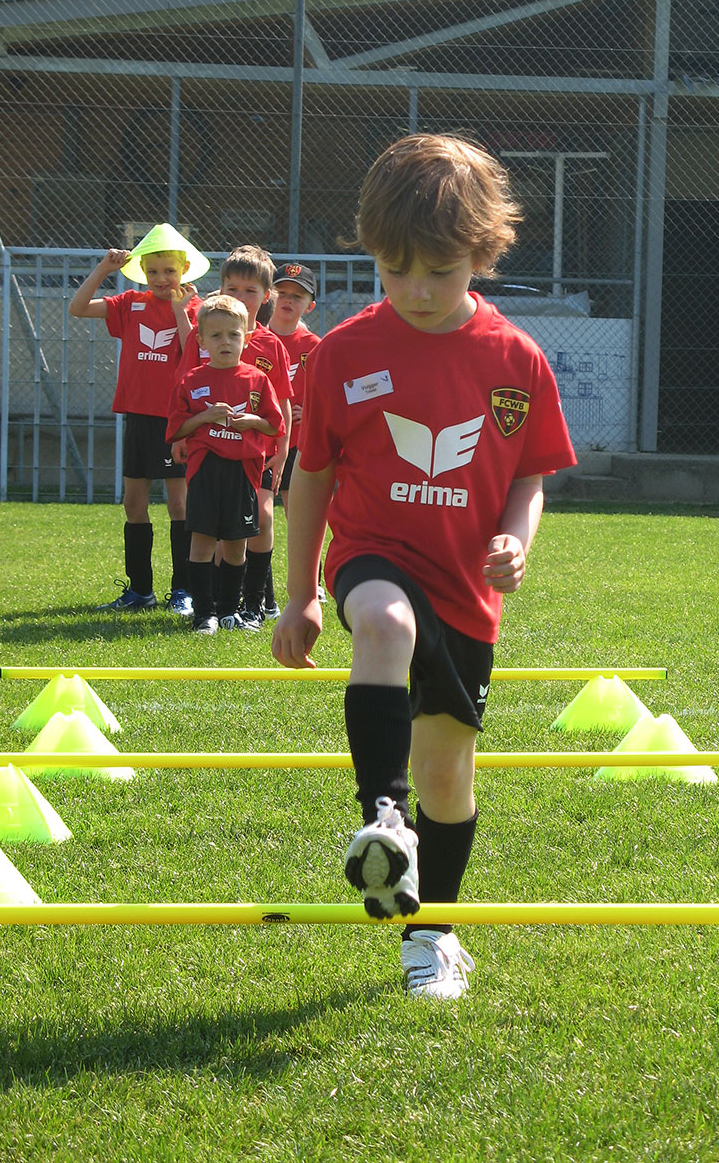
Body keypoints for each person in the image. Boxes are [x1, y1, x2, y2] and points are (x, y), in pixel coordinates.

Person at [271, 134, 577, 999]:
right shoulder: (341, 354)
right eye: (393, 269)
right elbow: (313, 479)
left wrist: (518, 539)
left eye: (438, 272)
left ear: (482, 255)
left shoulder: (516, 360)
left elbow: (529, 477)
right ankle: (382, 819)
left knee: (449, 773)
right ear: (370, 254)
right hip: (374, 555)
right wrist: (299, 597)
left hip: (467, 592)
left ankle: (432, 932)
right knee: (383, 620)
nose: (415, 289)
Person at [68, 223, 209, 615]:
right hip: (138, 417)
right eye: (154, 271)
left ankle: (184, 591)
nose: (162, 279)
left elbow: (192, 350)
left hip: (178, 419)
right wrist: (102, 270)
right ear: (143, 272)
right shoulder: (128, 303)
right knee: (134, 502)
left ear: (183, 270)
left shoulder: (195, 308)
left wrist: (182, 312)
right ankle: (140, 590)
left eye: (169, 271)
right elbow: (77, 308)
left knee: (179, 504)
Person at [173, 246, 293, 628]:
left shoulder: (270, 345)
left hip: (254, 455)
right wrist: (182, 435)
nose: (239, 297)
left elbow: (280, 407)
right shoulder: (202, 339)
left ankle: (254, 603)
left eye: (249, 291)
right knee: (210, 532)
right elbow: (184, 398)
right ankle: (212, 607)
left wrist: (283, 449)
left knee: (258, 519)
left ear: (266, 296)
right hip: (208, 456)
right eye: (231, 288)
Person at [266, 262, 323, 613]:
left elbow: (330, 395)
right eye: (282, 293)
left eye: (297, 296)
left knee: (299, 515)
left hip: (300, 443)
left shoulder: (315, 346)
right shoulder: (251, 337)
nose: (288, 301)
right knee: (255, 518)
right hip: (258, 443)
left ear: (309, 305)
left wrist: (311, 413)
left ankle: (311, 582)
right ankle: (254, 582)